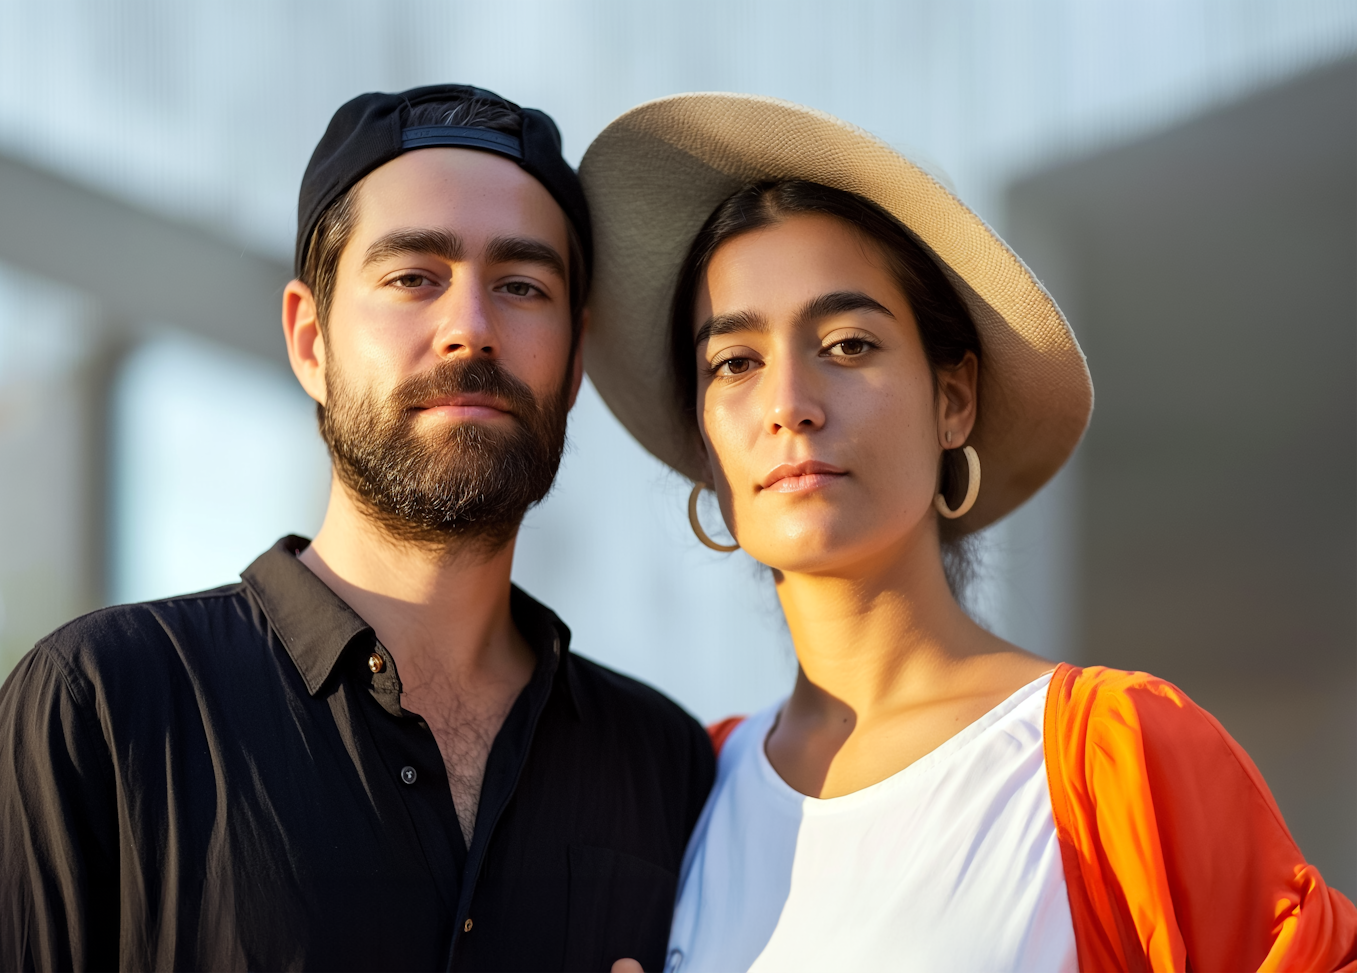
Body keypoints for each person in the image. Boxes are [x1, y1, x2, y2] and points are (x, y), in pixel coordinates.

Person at [0, 85, 714, 973]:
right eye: (414, 277)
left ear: (575, 363)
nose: (470, 328)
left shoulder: (666, 765)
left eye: (522, 285)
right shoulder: (102, 707)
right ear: (309, 340)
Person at [581, 94, 1357, 972]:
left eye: (847, 344)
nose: (789, 406)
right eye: (736, 363)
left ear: (953, 400)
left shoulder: (1109, 752)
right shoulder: (683, 794)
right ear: (704, 440)